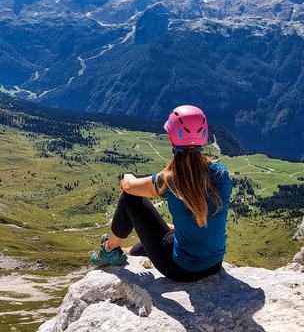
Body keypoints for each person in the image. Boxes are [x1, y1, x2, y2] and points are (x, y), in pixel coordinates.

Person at [90, 105, 233, 282]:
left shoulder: (170, 179)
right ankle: (124, 251)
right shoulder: (222, 175)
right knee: (167, 233)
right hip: (214, 264)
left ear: (172, 137)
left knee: (129, 199)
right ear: (204, 136)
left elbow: (129, 186)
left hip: (181, 269)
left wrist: (128, 175)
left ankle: (109, 250)